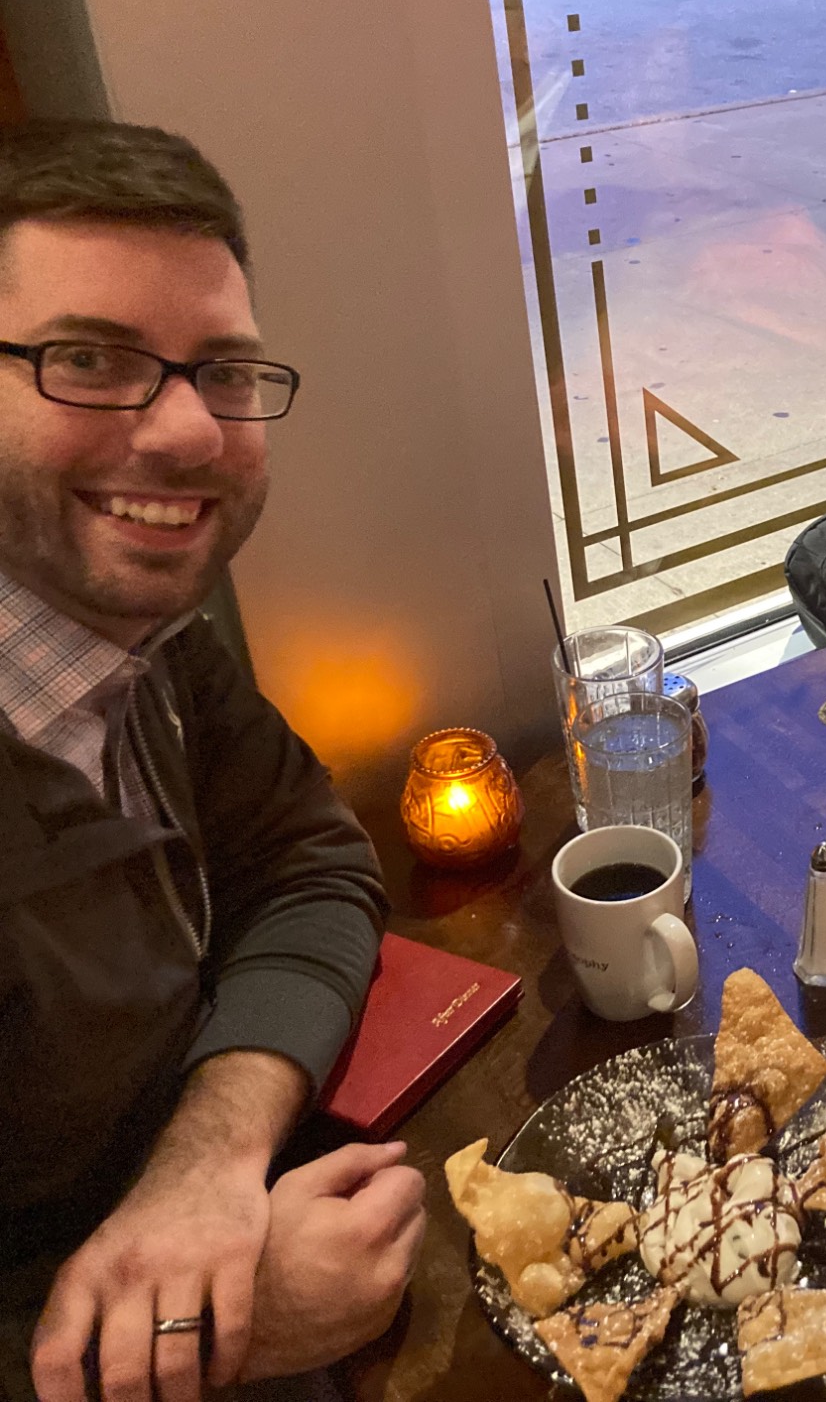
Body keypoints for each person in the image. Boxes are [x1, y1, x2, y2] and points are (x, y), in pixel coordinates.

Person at [0, 120, 425, 1402]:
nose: (188, 433)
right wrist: (222, 1327)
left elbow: (306, 858)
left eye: (224, 372)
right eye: (88, 359)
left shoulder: (147, 642)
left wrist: (208, 1163)